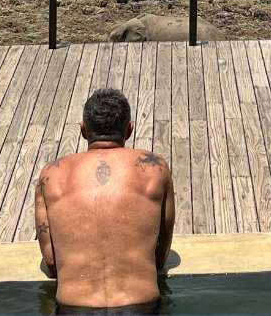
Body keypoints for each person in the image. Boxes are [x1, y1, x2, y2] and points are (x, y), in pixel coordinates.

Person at [35, 88, 175, 313]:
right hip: (141, 307)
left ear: (83, 130)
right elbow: (160, 257)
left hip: (74, 308)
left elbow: (52, 264)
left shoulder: (52, 175)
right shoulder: (156, 169)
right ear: (129, 130)